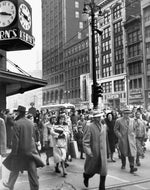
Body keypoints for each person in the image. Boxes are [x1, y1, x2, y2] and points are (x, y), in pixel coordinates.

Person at [3, 105, 45, 190]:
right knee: (32, 173)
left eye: (16, 112)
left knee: (15, 168)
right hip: (31, 151)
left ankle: (10, 184)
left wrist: (14, 153)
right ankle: (34, 188)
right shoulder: (31, 123)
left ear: (18, 113)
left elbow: (16, 140)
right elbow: (33, 137)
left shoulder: (17, 123)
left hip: (20, 151)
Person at [83, 111, 107, 190]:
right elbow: (85, 141)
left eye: (100, 116)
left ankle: (102, 187)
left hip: (103, 153)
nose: (99, 118)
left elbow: (105, 140)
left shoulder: (104, 126)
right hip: (94, 152)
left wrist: (108, 151)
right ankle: (86, 176)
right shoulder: (89, 126)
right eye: (97, 117)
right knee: (91, 170)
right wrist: (89, 152)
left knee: (103, 171)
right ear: (94, 118)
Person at [114, 108, 137, 174]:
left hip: (131, 140)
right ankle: (123, 163)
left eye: (128, 113)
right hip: (123, 139)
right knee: (123, 153)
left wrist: (134, 135)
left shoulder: (132, 120)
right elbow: (115, 129)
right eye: (126, 114)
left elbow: (134, 129)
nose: (127, 115)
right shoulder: (118, 120)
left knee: (131, 153)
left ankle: (132, 167)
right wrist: (119, 135)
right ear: (123, 114)